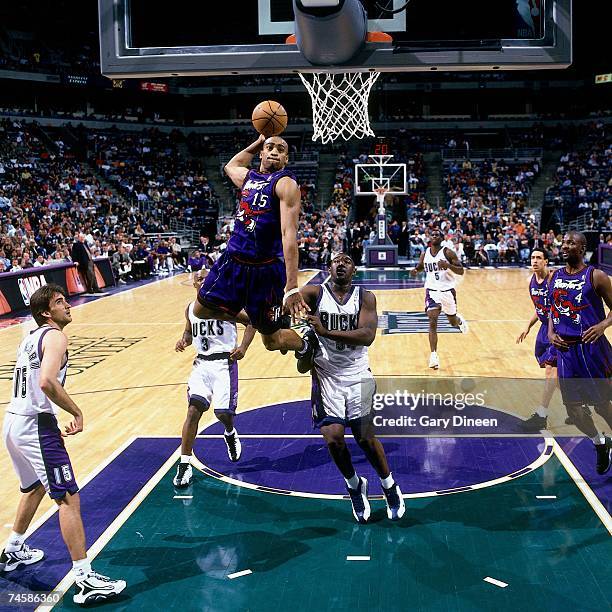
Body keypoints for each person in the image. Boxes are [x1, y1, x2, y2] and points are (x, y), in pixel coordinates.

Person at [1, 284, 125, 604]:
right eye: (60, 302)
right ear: (46, 312)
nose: (67, 305)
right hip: (36, 426)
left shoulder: (30, 336)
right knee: (69, 498)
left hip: (13, 420)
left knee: (34, 487)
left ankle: (12, 550)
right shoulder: (55, 336)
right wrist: (76, 411)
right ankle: (84, 580)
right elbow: (46, 381)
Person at [296, 253, 404, 524]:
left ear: (354, 269)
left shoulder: (365, 297)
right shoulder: (314, 293)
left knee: (365, 438)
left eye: (346, 260)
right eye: (335, 260)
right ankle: (354, 485)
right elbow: (289, 301)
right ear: (328, 268)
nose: (341, 263)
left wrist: (324, 331)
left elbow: (367, 336)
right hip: (326, 375)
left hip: (357, 373)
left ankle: (389, 485)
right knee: (333, 437)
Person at [194, 135, 310, 356]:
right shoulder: (249, 178)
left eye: (281, 149)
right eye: (270, 147)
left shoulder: (286, 183)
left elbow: (289, 234)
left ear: (286, 159)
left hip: (264, 270)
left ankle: (306, 344)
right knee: (200, 310)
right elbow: (231, 165)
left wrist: (292, 287)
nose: (274, 151)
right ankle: (254, 320)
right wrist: (259, 141)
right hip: (233, 261)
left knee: (273, 342)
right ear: (261, 154)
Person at [173, 271, 256, 488]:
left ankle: (229, 432)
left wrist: (243, 347)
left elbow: (252, 322)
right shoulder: (190, 309)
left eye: (206, 278)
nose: (202, 281)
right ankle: (184, 464)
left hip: (224, 365)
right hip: (201, 365)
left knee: (223, 414)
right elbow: (189, 333)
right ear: (194, 284)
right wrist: (183, 341)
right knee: (193, 411)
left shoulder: (226, 305)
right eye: (199, 279)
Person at [548, 231, 612, 474]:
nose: (565, 246)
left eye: (571, 243)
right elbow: (554, 310)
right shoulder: (556, 276)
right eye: (563, 242)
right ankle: (600, 442)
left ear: (582, 248)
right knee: (573, 411)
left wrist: (603, 325)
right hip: (566, 351)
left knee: (602, 406)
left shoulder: (596, 276)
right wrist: (551, 333)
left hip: (592, 350)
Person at [411, 228, 468, 370]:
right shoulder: (425, 254)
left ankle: (459, 320)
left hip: (447, 291)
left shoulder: (448, 252)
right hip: (432, 291)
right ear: (429, 237)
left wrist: (448, 265)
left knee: (452, 322)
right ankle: (433, 355)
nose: (435, 236)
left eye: (437, 234)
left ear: (442, 238)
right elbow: (420, 267)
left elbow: (461, 271)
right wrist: (415, 271)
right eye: (433, 234)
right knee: (432, 320)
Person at [516, 249, 558, 431]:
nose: (534, 261)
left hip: (557, 330)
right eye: (532, 258)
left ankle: (542, 414)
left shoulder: (553, 280)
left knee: (551, 371)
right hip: (543, 328)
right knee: (558, 376)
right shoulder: (532, 281)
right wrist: (528, 325)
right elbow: (540, 308)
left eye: (538, 258)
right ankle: (580, 405)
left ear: (546, 261)